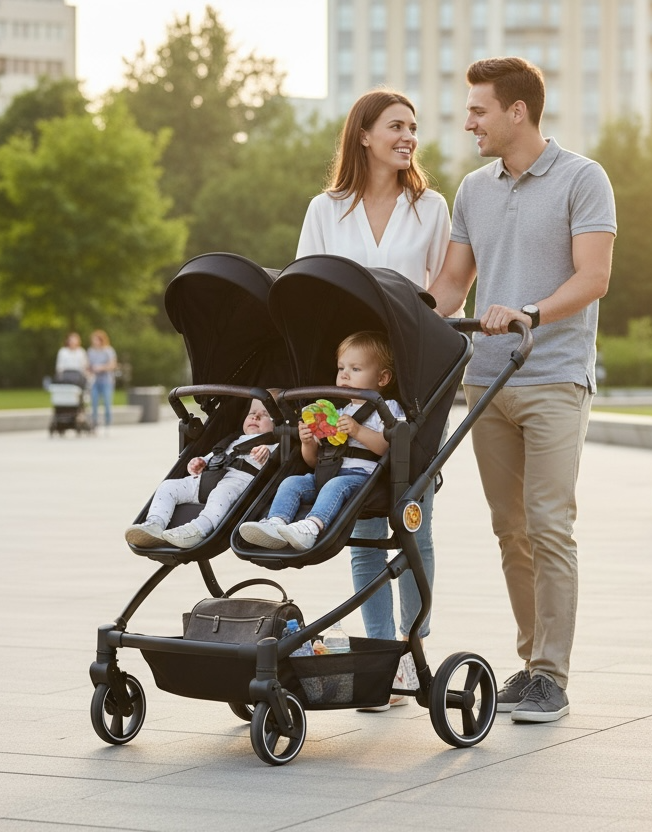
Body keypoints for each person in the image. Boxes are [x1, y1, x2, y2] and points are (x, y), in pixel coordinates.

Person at [428, 57, 616, 723]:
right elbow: (453, 284)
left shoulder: (583, 178)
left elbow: (593, 277)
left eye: (478, 109)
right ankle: (531, 660)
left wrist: (530, 311)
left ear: (517, 111)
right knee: (510, 529)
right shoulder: (473, 190)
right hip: (488, 380)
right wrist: (404, 313)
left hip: (554, 376)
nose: (468, 120)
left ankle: (552, 678)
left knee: (548, 522)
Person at [296, 88, 450, 703]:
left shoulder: (430, 206)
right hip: (348, 381)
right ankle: (378, 657)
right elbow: (305, 290)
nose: (408, 135)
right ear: (363, 135)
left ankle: (414, 649)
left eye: (413, 126)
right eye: (396, 126)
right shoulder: (326, 209)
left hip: (412, 381)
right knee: (361, 520)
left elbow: (445, 297)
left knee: (414, 520)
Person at [239, 331, 404, 552]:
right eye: (341, 368)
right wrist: (309, 443)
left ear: (382, 378)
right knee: (292, 483)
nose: (344, 375)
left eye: (355, 369)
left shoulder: (387, 408)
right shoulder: (335, 412)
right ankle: (275, 524)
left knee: (336, 486)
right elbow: (313, 462)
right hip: (326, 475)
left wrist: (357, 430)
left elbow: (388, 447)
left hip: (361, 479)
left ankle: (312, 527)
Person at [125, 399, 276, 550]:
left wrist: (267, 453)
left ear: (277, 425)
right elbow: (216, 455)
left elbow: (276, 462)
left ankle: (199, 528)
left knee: (221, 494)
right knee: (168, 486)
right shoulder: (233, 439)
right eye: (251, 413)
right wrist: (200, 462)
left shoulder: (273, 443)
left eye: (265, 415)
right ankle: (155, 524)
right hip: (208, 478)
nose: (255, 417)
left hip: (237, 481)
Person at [87, 329, 117, 431]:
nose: (95, 342)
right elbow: (88, 365)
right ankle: (94, 423)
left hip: (106, 381)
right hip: (94, 381)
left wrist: (101, 367)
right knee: (94, 403)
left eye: (96, 340)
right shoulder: (90, 351)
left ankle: (108, 424)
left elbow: (113, 365)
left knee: (107, 403)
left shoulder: (108, 350)